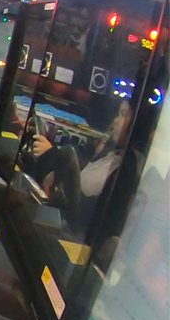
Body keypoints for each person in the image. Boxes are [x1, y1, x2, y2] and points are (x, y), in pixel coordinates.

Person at [28, 99, 133, 232]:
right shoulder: (110, 155)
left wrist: (51, 154)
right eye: (118, 114)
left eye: (123, 114)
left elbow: (83, 213)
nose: (116, 120)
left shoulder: (124, 171)